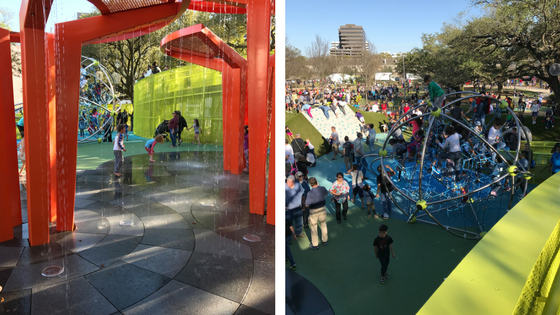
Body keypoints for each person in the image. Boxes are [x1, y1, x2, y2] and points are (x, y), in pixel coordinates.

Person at [305, 177, 329, 249]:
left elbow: (307, 204)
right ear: (316, 182)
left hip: (313, 211)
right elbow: (326, 195)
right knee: (323, 225)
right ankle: (325, 241)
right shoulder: (322, 188)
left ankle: (315, 244)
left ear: (310, 184)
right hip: (322, 209)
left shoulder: (310, 193)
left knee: (314, 227)